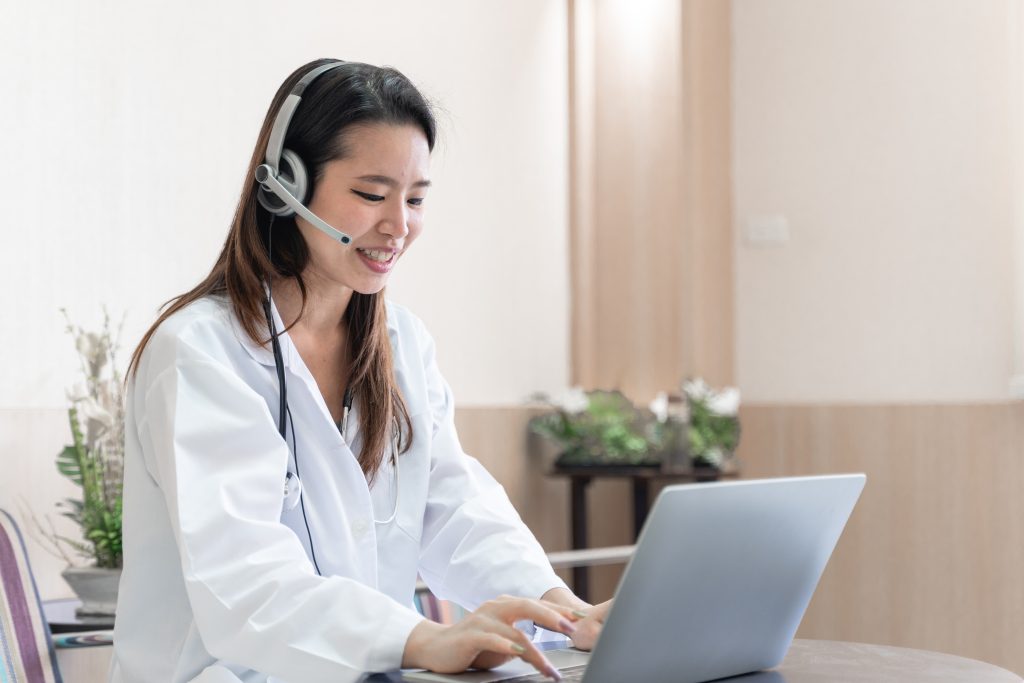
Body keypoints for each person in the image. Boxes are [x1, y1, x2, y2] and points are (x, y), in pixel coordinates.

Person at [109, 58, 610, 683]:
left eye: (416, 198)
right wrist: (423, 639)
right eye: (371, 194)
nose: (398, 225)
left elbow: (454, 509)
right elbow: (247, 584)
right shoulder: (200, 354)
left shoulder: (402, 344)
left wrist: (568, 614)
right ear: (285, 184)